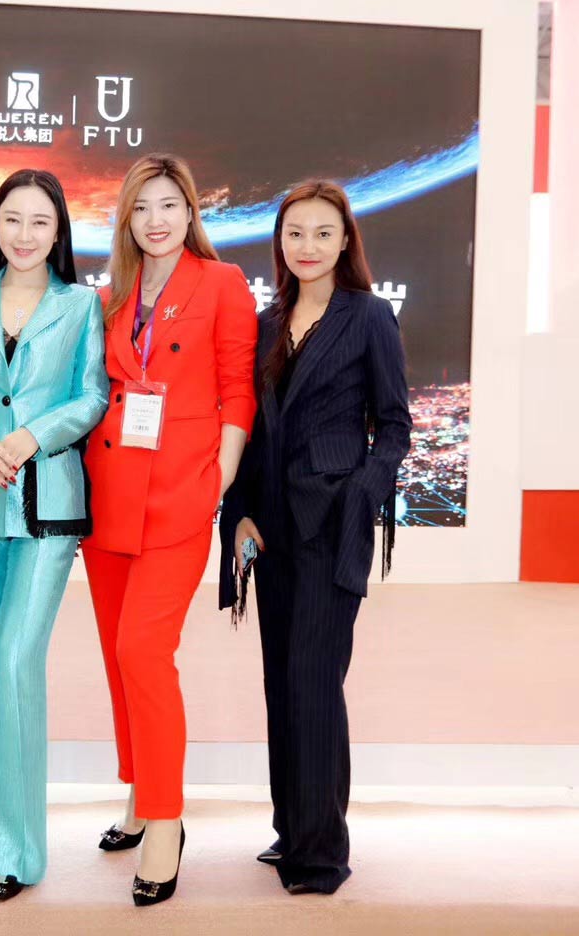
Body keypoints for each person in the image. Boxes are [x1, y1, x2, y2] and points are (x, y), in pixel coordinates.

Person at [219, 180, 410, 895]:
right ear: (280, 241)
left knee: (314, 682)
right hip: (269, 530)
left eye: (323, 233)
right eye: (295, 232)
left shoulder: (370, 316)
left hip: (332, 526)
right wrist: (238, 510)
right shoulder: (267, 322)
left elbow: (395, 426)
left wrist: (361, 493)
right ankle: (293, 829)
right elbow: (249, 426)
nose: (308, 246)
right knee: (283, 683)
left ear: (345, 240)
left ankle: (322, 852)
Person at [82, 153, 257, 907]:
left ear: (190, 213)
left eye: (169, 205)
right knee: (118, 658)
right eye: (142, 207)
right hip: (108, 494)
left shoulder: (221, 283)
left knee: (144, 652)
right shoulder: (108, 296)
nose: (156, 220)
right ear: (127, 219)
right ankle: (138, 791)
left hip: (181, 493)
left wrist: (217, 481)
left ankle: (165, 819)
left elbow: (238, 389)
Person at [0, 169, 108, 901]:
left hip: (47, 506)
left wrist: (33, 435)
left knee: (14, 661)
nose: (25, 234)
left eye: (40, 221)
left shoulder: (81, 304)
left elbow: (93, 394)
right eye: (12, 219)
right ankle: (4, 844)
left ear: (59, 229)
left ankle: (17, 849)